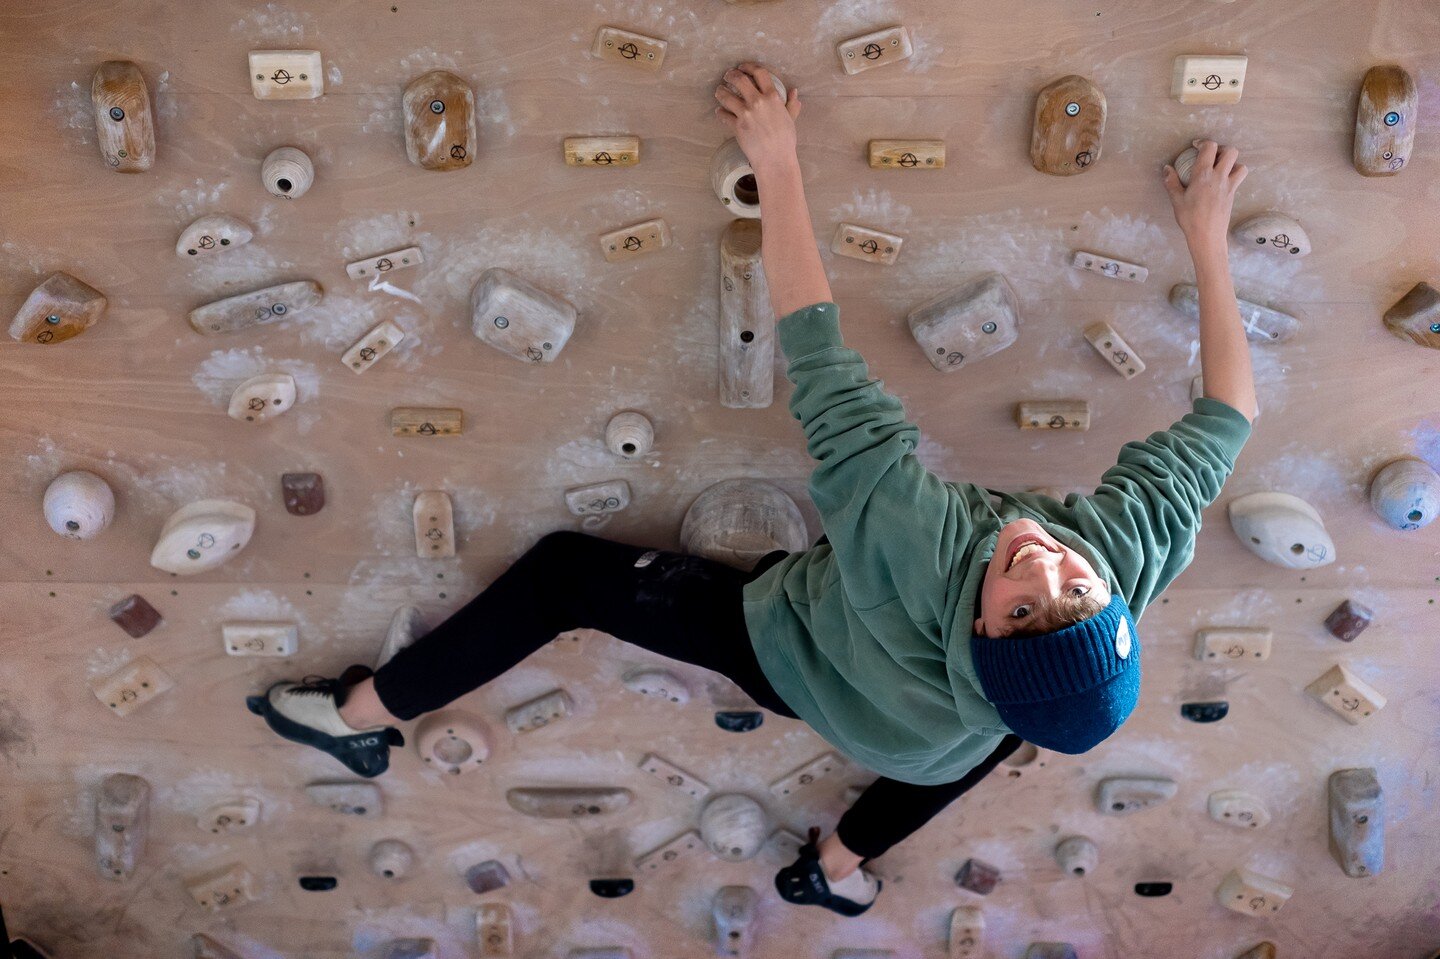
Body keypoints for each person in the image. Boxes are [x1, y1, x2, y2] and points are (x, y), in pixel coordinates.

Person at [247, 62, 1257, 918]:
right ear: (1118, 598)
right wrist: (1209, 237)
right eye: (1075, 594)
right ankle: (836, 871)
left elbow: (814, 345)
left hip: (798, 653)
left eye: (1021, 605)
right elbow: (1229, 417)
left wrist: (774, 161)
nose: (1043, 565)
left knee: (563, 575)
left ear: (987, 630)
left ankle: (355, 714)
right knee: (1001, 731)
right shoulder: (1120, 556)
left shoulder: (906, 538)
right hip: (936, 733)